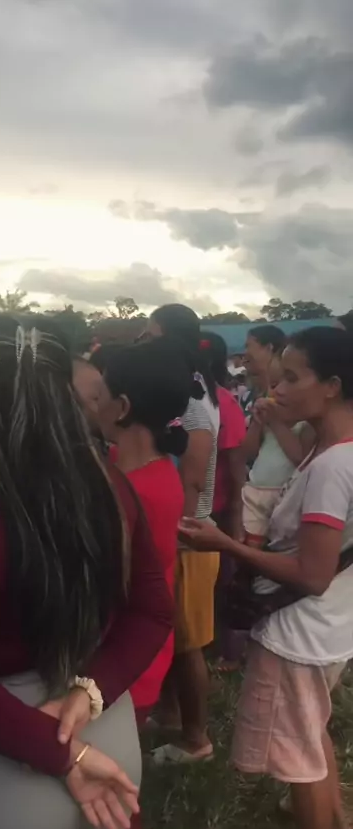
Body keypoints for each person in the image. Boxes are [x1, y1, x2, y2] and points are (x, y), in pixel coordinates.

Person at [0, 314, 173, 829]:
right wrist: (88, 695)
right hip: (101, 731)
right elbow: (152, 612)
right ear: (67, 397)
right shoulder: (110, 488)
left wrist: (62, 750)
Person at [179, 326, 353, 829]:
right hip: (329, 625)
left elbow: (312, 574)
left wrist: (227, 545)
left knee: (298, 761)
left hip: (300, 632)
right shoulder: (333, 452)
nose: (278, 388)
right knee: (310, 734)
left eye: (293, 378)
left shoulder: (332, 466)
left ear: (332, 387)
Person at [98, 339, 190, 724]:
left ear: (122, 407)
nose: (93, 406)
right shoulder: (131, 466)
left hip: (124, 663)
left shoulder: (142, 491)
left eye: (98, 396)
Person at [144, 304, 220, 764]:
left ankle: (197, 738)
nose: (145, 344)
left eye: (151, 336)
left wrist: (178, 534)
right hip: (185, 535)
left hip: (189, 538)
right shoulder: (193, 392)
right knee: (175, 636)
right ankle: (170, 714)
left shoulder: (191, 405)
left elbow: (191, 481)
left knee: (189, 645)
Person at [201, 333, 246, 671]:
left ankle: (230, 650)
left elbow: (235, 466)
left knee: (225, 580)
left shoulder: (223, 403)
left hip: (217, 507)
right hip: (198, 506)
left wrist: (236, 516)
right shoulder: (192, 398)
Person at [242, 370, 315, 555]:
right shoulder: (266, 420)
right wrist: (257, 423)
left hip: (284, 495)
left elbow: (300, 458)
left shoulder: (305, 425)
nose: (278, 391)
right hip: (255, 491)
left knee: (276, 546)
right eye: (273, 385)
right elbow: (248, 452)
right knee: (250, 545)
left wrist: (276, 423)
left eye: (290, 383)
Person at [240, 325, 286, 424]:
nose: (245, 353)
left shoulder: (285, 396)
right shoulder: (249, 395)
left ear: (269, 348)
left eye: (248, 346)